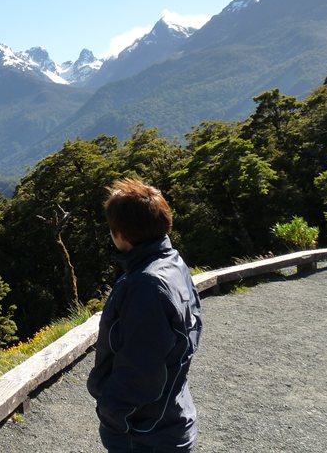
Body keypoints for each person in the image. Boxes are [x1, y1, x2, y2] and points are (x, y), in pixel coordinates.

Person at [87, 177, 203, 453]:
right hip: (169, 416)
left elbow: (142, 370)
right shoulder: (172, 264)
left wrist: (112, 412)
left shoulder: (146, 286)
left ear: (119, 234)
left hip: (144, 432)